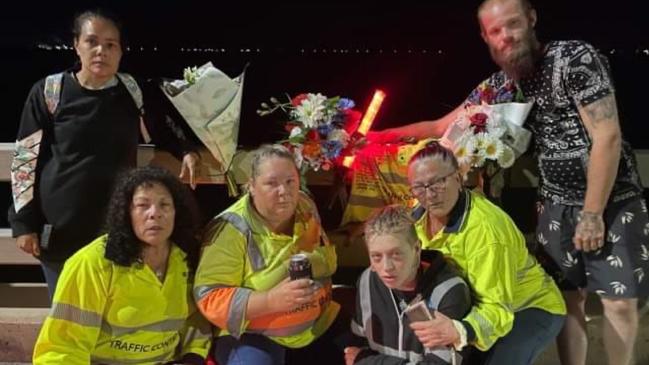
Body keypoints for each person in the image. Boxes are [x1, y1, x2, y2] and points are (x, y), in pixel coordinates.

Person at [370, 1, 649, 364]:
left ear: (531, 20)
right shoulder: (503, 84)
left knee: (618, 302)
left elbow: (607, 135)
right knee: (568, 298)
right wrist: (378, 136)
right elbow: (442, 127)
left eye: (513, 24)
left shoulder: (574, 58)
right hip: (554, 203)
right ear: (486, 38)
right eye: (496, 31)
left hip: (613, 199)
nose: (507, 36)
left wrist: (593, 213)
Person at [8, 9, 200, 300]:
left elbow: (161, 127)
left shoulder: (130, 91)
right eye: (92, 42)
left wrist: (186, 151)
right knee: (67, 317)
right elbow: (24, 160)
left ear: (121, 51)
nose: (101, 51)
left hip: (116, 226)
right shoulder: (50, 91)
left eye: (111, 44)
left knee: (114, 315)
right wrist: (24, 224)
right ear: (76, 45)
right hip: (60, 227)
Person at [405, 142, 566, 364]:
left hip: (525, 307)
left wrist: (460, 331)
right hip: (471, 303)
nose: (430, 195)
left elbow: (497, 308)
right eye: (419, 187)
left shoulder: (487, 230)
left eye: (438, 182)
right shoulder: (414, 220)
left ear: (458, 179)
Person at [32, 166, 211, 364]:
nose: (155, 213)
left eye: (165, 205)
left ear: (177, 212)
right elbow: (62, 348)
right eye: (143, 205)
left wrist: (193, 357)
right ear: (126, 212)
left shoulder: (186, 258)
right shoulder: (91, 263)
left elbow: (196, 321)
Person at [193, 144, 340, 365]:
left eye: (290, 181)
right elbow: (209, 297)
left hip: (314, 327)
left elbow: (324, 256)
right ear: (251, 186)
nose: (284, 191)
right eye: (272, 183)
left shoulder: (305, 205)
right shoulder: (230, 228)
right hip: (253, 336)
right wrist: (269, 300)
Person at [344, 204, 472, 365]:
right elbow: (356, 345)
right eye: (376, 257)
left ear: (417, 249)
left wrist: (368, 361)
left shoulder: (449, 292)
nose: (386, 267)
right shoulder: (367, 280)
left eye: (396, 254)